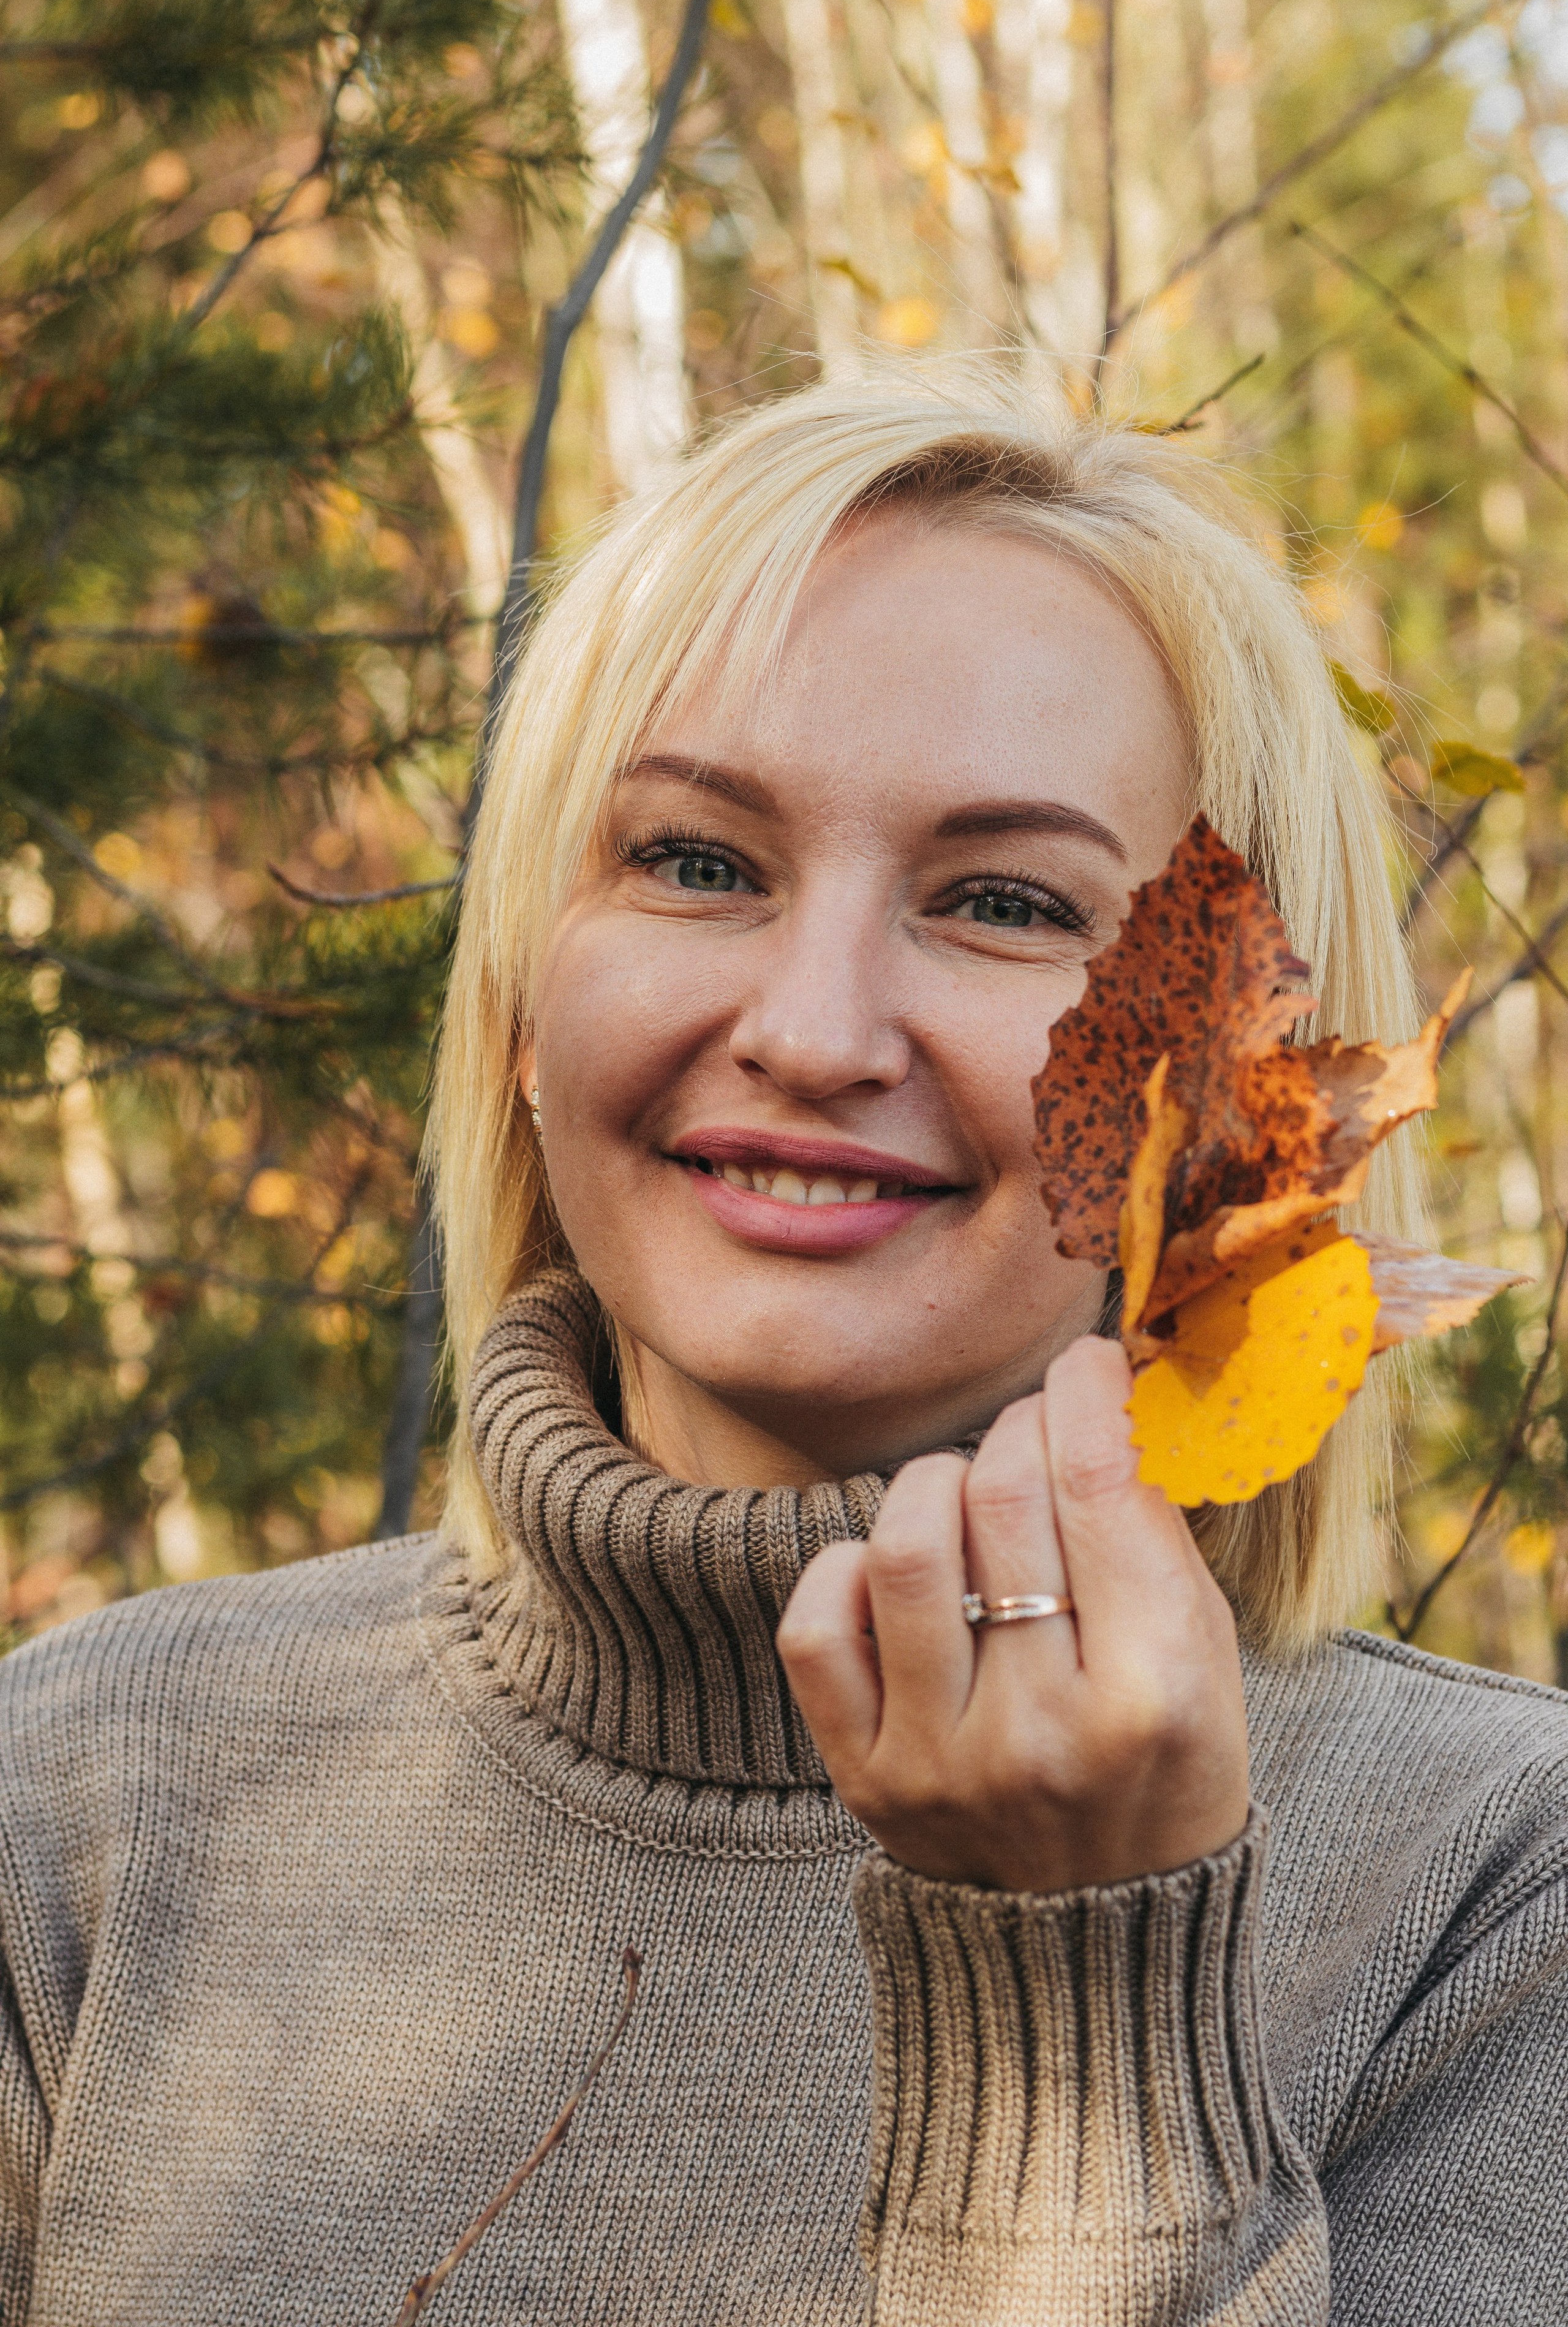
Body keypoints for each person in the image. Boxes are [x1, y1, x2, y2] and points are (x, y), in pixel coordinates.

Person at [2, 377, 1565, 2326]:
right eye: (696, 862)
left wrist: (1079, 1994)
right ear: (519, 997)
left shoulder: (1500, 1898)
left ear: (1244, 1108)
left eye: (1003, 903)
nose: (814, 1031)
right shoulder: (86, 1802)